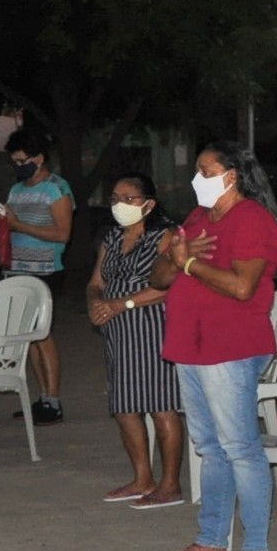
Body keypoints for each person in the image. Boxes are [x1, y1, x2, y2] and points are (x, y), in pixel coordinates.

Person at [149, 143, 277, 551]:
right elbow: (158, 276)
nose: (197, 178)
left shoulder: (251, 220)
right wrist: (173, 257)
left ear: (231, 176)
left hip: (231, 347)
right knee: (210, 449)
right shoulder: (195, 219)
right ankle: (211, 541)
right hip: (191, 346)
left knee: (240, 448)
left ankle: (256, 548)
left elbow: (242, 286)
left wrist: (187, 261)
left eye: (205, 170)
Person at [86, 172, 185, 508]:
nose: (119, 204)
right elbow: (96, 281)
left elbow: (169, 286)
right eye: (115, 198)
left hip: (152, 327)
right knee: (125, 407)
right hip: (118, 331)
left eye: (128, 198)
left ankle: (170, 484)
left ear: (149, 203)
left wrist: (120, 303)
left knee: (161, 406)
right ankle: (142, 478)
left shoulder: (165, 236)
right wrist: (95, 303)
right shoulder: (112, 238)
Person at [0, 130, 74, 424]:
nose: (18, 165)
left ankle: (53, 400)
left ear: (39, 158)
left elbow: (62, 234)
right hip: (17, 268)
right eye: (14, 161)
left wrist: (19, 225)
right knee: (29, 338)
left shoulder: (57, 189)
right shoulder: (17, 190)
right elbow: (9, 226)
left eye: (22, 160)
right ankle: (41, 400)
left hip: (45, 271)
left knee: (43, 335)